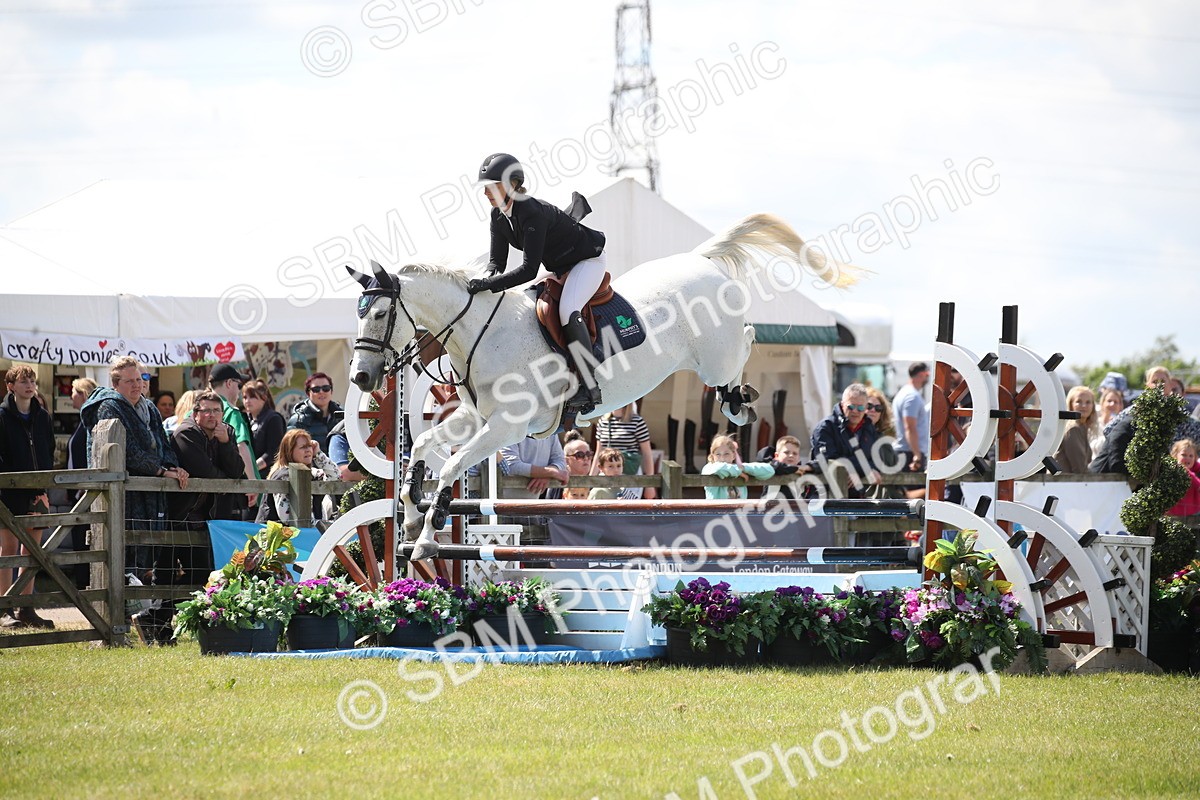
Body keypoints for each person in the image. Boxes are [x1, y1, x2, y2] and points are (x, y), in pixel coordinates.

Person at [465, 152, 608, 413]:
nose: (485, 193)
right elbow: (497, 263)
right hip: (556, 265)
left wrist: (489, 286)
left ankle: (589, 387)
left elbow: (529, 270)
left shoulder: (530, 211)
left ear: (511, 185)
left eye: (491, 186)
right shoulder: (498, 215)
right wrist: (483, 282)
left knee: (568, 309)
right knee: (525, 301)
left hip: (586, 261)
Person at [81, 356, 188, 584]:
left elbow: (163, 442)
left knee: (149, 547)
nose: (137, 385)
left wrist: (173, 467)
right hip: (123, 491)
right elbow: (126, 450)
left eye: (140, 379)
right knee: (123, 549)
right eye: (130, 381)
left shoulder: (149, 407)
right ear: (116, 385)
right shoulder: (108, 407)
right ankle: (120, 609)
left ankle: (144, 610)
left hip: (151, 492)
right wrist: (159, 471)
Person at [0, 366, 56, 629]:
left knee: (33, 551)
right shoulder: (1, 416)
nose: (30, 385)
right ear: (10, 386)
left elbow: (49, 448)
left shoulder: (42, 416)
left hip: (37, 491)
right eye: (23, 381)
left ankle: (26, 607)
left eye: (32, 380)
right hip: (8, 492)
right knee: (8, 550)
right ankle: (4, 607)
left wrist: (43, 484)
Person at [169, 390, 246, 525]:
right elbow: (204, 471)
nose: (212, 415)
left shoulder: (227, 432)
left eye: (216, 410)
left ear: (222, 414)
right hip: (186, 514)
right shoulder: (185, 433)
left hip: (218, 514)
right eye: (206, 411)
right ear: (195, 414)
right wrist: (229, 481)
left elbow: (237, 471)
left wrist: (225, 443)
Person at [497, 434, 569, 546]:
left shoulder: (551, 430)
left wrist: (546, 473)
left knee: (535, 559)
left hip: (533, 508)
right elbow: (511, 465)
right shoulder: (511, 425)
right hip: (503, 510)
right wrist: (550, 472)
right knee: (506, 560)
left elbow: (560, 461)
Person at [257, 429, 340, 526]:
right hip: (278, 536)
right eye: (303, 447)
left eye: (309, 446)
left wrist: (318, 453)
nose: (308, 450)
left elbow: (335, 476)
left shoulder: (312, 473)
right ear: (289, 451)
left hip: (310, 533)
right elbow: (286, 517)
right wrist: (320, 527)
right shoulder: (281, 476)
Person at [811, 383, 881, 496]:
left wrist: (862, 470)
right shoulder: (825, 427)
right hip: (825, 496)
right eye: (851, 406)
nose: (855, 411)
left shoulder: (869, 428)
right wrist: (864, 469)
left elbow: (877, 459)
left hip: (858, 498)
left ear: (866, 408)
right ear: (842, 405)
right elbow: (828, 460)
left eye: (861, 407)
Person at [208, 364, 258, 513]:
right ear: (229, 383)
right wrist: (252, 483)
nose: (239, 390)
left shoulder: (196, 410)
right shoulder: (230, 411)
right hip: (235, 492)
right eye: (239, 385)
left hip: (205, 493)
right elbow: (241, 447)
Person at [65, 377, 98, 590]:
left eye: (74, 392)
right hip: (78, 492)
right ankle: (83, 584)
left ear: (83, 394)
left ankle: (86, 585)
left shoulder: (90, 423)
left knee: (85, 539)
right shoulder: (83, 422)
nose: (71, 397)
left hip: (85, 493)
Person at [592, 403, 658, 500]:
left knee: (627, 508)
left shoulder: (637, 421)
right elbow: (598, 452)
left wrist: (649, 484)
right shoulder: (603, 421)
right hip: (607, 473)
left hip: (630, 473)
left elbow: (647, 453)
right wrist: (590, 479)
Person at [700, 435, 774, 500]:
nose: (722, 458)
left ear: (734, 455)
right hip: (716, 514)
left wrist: (743, 468)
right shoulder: (709, 468)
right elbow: (719, 469)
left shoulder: (739, 468)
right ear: (713, 456)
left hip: (739, 514)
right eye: (718, 454)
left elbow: (769, 471)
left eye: (726, 454)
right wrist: (739, 472)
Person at [288, 372, 342, 455]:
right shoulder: (298, 421)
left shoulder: (342, 417)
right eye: (316, 389)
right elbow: (290, 452)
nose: (321, 392)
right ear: (308, 393)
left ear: (331, 391)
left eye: (326, 388)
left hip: (340, 466)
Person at [891, 362, 930, 474]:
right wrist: (917, 454)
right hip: (909, 453)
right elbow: (910, 427)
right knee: (915, 491)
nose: (927, 378)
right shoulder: (912, 396)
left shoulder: (904, 393)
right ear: (922, 374)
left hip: (906, 451)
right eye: (927, 375)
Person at [243, 379, 285, 475]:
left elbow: (274, 453)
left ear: (264, 398)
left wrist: (252, 469)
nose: (247, 401)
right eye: (245, 397)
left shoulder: (274, 419)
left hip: (268, 476)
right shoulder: (245, 419)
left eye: (252, 397)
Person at [1055, 386, 1099, 474]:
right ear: (1071, 404)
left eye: (1088, 402)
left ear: (1093, 406)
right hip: (1063, 484)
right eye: (1079, 401)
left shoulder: (1082, 427)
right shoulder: (1073, 429)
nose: (1083, 406)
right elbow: (1080, 469)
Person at [760, 434, 814, 501]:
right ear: (777, 455)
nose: (791, 455)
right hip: (771, 508)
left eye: (795, 453)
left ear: (799, 457)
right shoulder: (772, 466)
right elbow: (776, 467)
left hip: (795, 508)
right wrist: (793, 469)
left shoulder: (802, 471)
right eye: (786, 452)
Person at [553, 431, 592, 501]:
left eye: (588, 454)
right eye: (580, 455)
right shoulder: (556, 484)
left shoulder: (595, 484)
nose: (586, 458)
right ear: (566, 460)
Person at [1166, 439, 1200, 518]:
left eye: (1191, 456)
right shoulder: (1172, 470)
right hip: (1174, 512)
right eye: (1184, 455)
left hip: (1194, 511)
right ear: (1175, 456)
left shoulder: (1196, 469)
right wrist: (1186, 472)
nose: (1188, 458)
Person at [1095, 388, 1124, 453]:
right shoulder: (1094, 424)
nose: (1112, 404)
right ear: (1102, 403)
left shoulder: (1122, 426)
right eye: (1109, 401)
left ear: (1120, 406)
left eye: (1115, 402)